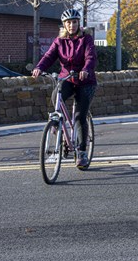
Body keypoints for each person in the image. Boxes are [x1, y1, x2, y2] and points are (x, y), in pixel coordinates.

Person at [32, 9, 97, 170]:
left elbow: (91, 57)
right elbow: (49, 56)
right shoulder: (59, 41)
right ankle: (57, 124)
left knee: (79, 117)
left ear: (78, 23)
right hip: (67, 78)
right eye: (68, 22)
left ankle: (81, 153)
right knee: (56, 96)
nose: (71, 25)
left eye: (74, 22)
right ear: (64, 24)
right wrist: (39, 68)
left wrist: (86, 69)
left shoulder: (86, 39)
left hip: (85, 81)